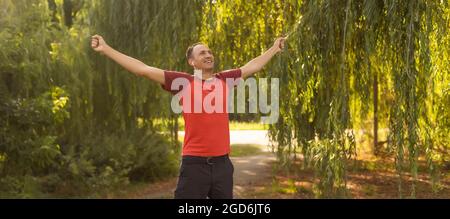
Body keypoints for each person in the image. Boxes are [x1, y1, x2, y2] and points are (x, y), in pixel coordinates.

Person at [91, 34, 285, 199]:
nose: (208, 55)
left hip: (223, 166)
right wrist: (106, 49)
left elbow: (252, 66)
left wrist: (274, 48)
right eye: (202, 53)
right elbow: (142, 69)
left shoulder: (224, 79)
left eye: (209, 52)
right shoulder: (182, 82)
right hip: (194, 166)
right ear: (192, 62)